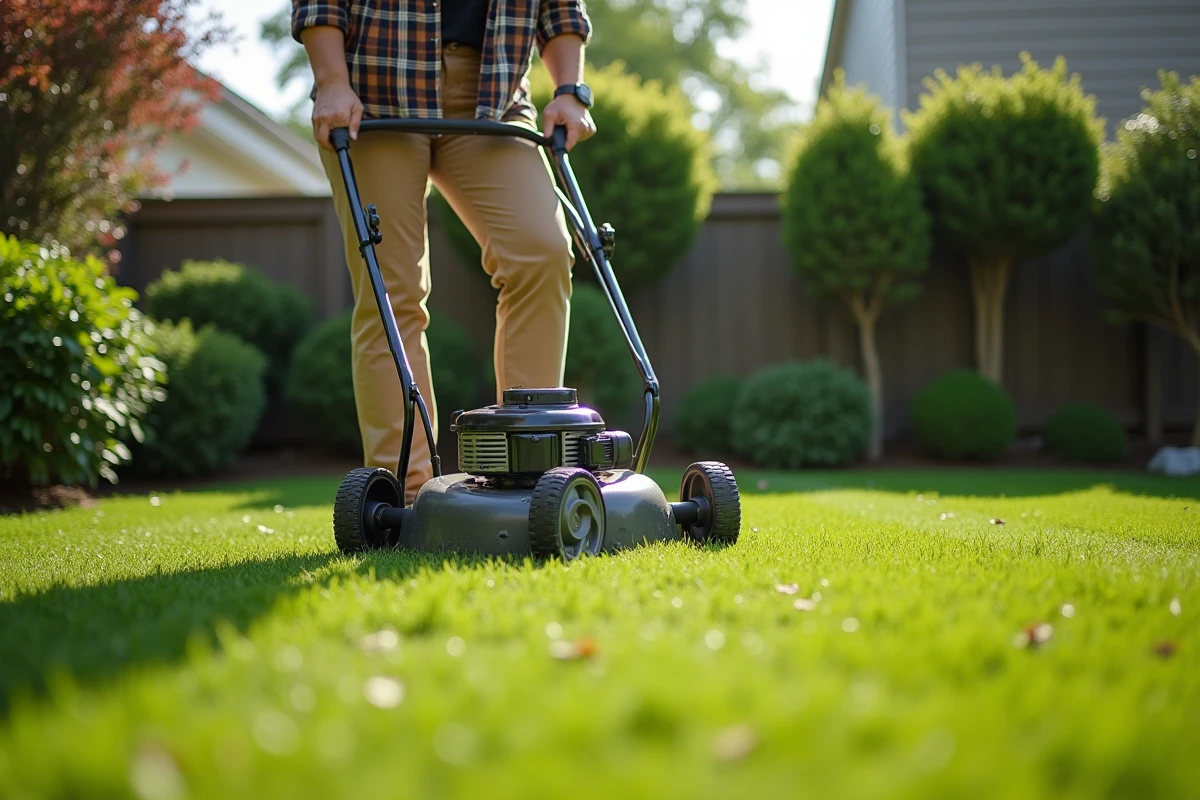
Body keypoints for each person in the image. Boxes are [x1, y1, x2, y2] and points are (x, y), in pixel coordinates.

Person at [291, 0, 596, 504]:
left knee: (541, 252)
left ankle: (526, 472)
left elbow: (561, 10)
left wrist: (569, 91)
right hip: (375, 93)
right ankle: (406, 496)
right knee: (393, 291)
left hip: (491, 96)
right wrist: (331, 80)